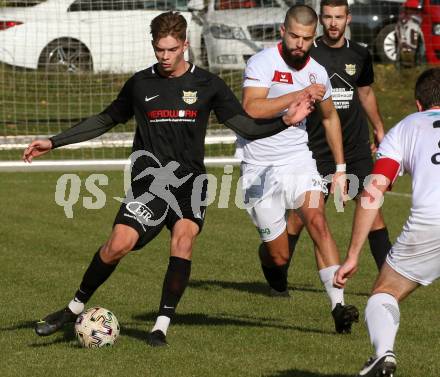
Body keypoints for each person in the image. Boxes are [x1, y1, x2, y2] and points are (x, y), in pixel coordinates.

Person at [24, 11, 313, 347]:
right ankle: (74, 307)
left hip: (191, 184)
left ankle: (160, 325)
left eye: (171, 49)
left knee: (183, 240)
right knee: (118, 244)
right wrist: (54, 141)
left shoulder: (208, 85)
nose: (164, 56)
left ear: (185, 45)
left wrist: (286, 122)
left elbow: (245, 126)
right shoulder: (140, 84)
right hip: (149, 184)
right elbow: (105, 119)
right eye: (159, 49)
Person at [239, 4, 359, 333]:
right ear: (282, 31)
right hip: (259, 167)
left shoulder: (317, 71)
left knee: (318, 221)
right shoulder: (262, 62)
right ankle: (274, 264)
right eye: (294, 36)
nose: (299, 44)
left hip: (297, 159)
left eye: (306, 39)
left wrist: (339, 168)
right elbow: (252, 107)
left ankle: (338, 307)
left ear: (313, 37)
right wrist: (298, 93)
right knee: (278, 256)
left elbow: (330, 117)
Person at [335, 67, 440, 377]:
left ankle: (384, 354)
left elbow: (373, 190)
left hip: (432, 220)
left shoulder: (408, 127)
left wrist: (353, 254)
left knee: (385, 292)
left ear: (418, 104)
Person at [284, 0, 391, 282]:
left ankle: (389, 276)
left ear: (348, 19)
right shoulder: (308, 53)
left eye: (339, 17)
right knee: (300, 216)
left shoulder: (360, 54)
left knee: (372, 209)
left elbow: (365, 94)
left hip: (355, 147)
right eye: (328, 17)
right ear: (320, 19)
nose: (333, 23)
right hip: (317, 149)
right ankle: (278, 272)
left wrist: (379, 128)